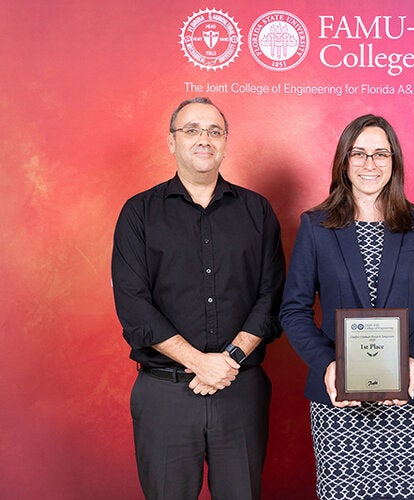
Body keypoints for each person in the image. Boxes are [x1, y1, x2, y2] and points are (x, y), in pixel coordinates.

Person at [280, 114, 414, 500]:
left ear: (394, 161)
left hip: (409, 399)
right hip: (337, 400)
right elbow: (293, 311)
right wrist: (329, 366)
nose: (370, 164)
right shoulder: (316, 226)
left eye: (381, 154)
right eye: (359, 153)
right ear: (343, 162)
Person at [111, 97, 285, 499]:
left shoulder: (257, 211)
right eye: (191, 130)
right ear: (172, 142)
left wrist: (230, 360)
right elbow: (134, 304)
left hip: (240, 389)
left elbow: (271, 295)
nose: (203, 139)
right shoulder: (139, 213)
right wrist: (197, 363)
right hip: (165, 395)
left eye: (214, 131)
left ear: (225, 142)